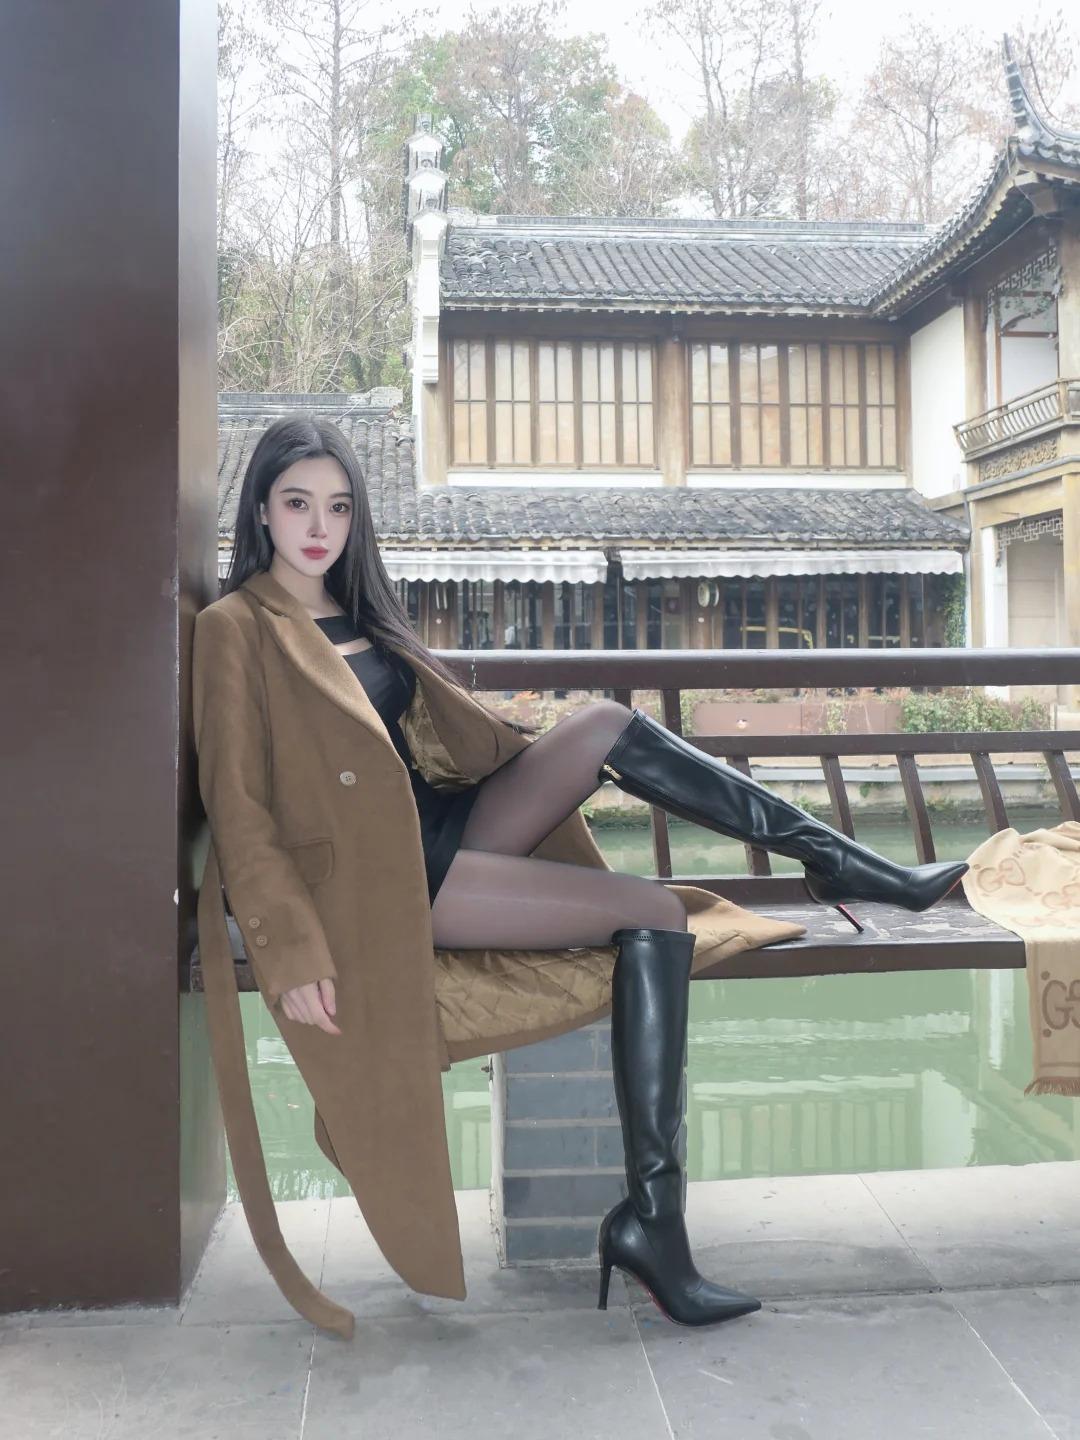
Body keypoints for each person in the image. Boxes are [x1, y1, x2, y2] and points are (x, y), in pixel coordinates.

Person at [193, 416, 967, 1336]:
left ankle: (838, 860)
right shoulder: (234, 628)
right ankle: (653, 1225)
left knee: (604, 724)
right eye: (297, 504)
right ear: (262, 510)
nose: (319, 526)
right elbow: (238, 806)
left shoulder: (360, 612)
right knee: (656, 913)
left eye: (339, 507)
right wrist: (289, 948)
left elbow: (423, 744)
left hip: (437, 823)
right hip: (378, 880)